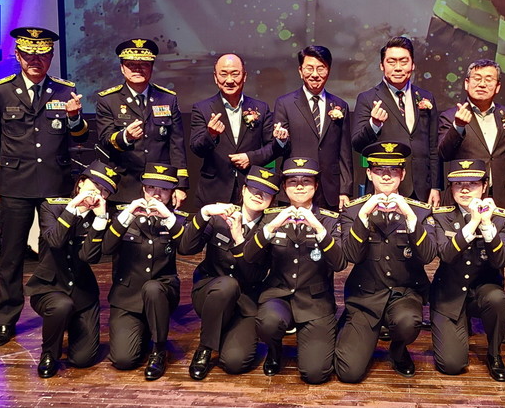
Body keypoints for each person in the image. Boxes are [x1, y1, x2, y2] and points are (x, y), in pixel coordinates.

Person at [0, 26, 88, 347]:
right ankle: (6, 318)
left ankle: (56, 311)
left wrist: (74, 118)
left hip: (54, 183)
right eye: (29, 55)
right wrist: (4, 167)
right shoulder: (1, 92)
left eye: (42, 55)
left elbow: (80, 137)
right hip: (15, 184)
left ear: (51, 57)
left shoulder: (65, 91)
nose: (35, 61)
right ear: (18, 55)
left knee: (55, 251)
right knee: (11, 255)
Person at [335, 141, 437, 382]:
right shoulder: (353, 211)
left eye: (393, 170)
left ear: (403, 174)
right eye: (380, 169)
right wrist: (363, 216)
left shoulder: (420, 211)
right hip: (365, 296)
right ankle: (353, 325)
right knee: (349, 373)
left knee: (408, 322)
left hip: (404, 294)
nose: (387, 175)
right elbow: (351, 256)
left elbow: (427, 256)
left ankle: (398, 349)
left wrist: (410, 217)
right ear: (370, 173)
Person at [243, 158, 345, 384]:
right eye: (292, 181)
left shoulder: (329, 220)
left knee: (315, 373)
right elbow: (248, 256)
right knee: (269, 323)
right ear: (284, 186)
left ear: (316, 186)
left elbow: (340, 264)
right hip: (278, 296)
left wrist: (318, 228)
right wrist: (272, 227)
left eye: (306, 181)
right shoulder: (271, 216)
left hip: (315, 301)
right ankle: (274, 349)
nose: (299, 186)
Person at [178, 166, 280, 380]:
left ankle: (222, 331)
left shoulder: (270, 229)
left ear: (272, 199)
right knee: (227, 285)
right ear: (243, 190)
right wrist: (204, 213)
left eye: (266, 192)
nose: (258, 195)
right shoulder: (219, 218)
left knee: (235, 362)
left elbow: (253, 276)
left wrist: (239, 240)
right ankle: (205, 348)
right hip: (211, 294)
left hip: (245, 301)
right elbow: (186, 248)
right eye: (254, 189)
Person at [25, 160, 120, 378]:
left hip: (82, 292)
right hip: (49, 287)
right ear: (81, 183)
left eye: (105, 191)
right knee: (61, 306)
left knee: (83, 359)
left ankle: (68, 323)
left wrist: (100, 219)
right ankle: (49, 353)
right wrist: (73, 208)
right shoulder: (52, 207)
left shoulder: (103, 217)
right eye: (94, 186)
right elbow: (55, 241)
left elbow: (89, 257)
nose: (97, 194)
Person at [103, 163, 187, 380]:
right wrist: (127, 215)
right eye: (151, 188)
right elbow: (107, 248)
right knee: (123, 360)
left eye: (164, 189)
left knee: (152, 288)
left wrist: (168, 217)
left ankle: (159, 349)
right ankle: (144, 328)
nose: (157, 194)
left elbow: (187, 248)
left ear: (172, 192)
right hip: (127, 297)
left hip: (161, 293)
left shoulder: (176, 219)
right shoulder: (123, 215)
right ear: (143, 188)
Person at [430, 159, 505, 381]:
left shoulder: (499, 217)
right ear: (451, 188)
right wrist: (473, 223)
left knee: (497, 299)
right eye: (458, 184)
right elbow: (446, 255)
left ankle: (494, 354)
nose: (465, 189)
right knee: (451, 364)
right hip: (449, 293)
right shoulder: (441, 216)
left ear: (484, 186)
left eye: (472, 183)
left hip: (483, 291)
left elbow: (500, 261)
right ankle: (459, 324)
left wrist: (486, 224)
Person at [95, 38, 189, 207]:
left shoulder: (168, 98)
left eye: (143, 64)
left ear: (152, 67)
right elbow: (105, 139)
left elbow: (177, 146)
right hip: (124, 186)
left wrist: (180, 185)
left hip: (161, 186)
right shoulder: (108, 100)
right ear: (122, 68)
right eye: (131, 64)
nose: (137, 69)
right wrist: (126, 137)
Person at [351, 36, 441, 207]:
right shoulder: (367, 98)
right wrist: (374, 125)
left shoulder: (426, 97)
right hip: (384, 185)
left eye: (403, 61)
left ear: (413, 65)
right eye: (391, 62)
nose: (398, 67)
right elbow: (357, 144)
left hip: (422, 187)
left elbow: (433, 146)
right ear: (382, 66)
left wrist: (436, 186)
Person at [190, 53, 278, 206]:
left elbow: (272, 147)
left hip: (252, 189)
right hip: (214, 190)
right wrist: (210, 134)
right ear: (215, 78)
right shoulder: (202, 108)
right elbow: (197, 149)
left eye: (235, 74)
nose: (229, 80)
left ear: (244, 76)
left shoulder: (261, 108)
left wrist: (251, 158)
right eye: (223, 74)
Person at [272, 45, 352, 210]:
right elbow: (279, 149)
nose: (315, 74)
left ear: (328, 71)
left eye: (320, 68)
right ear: (300, 71)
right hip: (296, 187)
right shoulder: (285, 103)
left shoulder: (340, 105)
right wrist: (281, 140)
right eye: (309, 68)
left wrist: (345, 190)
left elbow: (344, 153)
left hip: (330, 190)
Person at [438, 59, 505, 211]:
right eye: (477, 78)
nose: (482, 84)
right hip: (464, 194)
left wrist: (499, 176)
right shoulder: (450, 116)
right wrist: (458, 126)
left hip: (498, 194)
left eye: (489, 80)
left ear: (497, 87)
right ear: (466, 83)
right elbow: (443, 153)